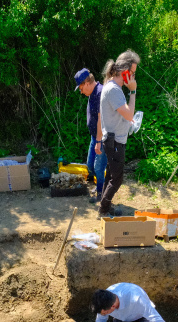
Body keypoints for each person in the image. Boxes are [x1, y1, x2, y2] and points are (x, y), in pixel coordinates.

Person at [98, 50, 140, 217]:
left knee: (110, 175)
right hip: (115, 141)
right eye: (133, 73)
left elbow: (124, 116)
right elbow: (129, 114)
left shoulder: (113, 87)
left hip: (114, 139)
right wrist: (133, 91)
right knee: (117, 179)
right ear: (125, 71)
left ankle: (105, 207)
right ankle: (103, 210)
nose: (134, 77)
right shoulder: (114, 90)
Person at [74, 68, 107, 204]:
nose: (81, 92)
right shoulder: (92, 93)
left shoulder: (100, 93)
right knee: (90, 166)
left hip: (103, 138)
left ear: (87, 83)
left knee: (99, 168)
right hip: (94, 137)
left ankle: (101, 194)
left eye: (81, 88)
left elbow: (101, 119)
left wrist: (99, 141)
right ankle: (100, 187)